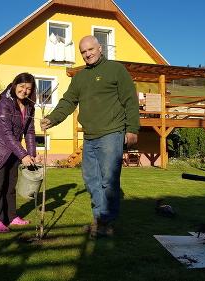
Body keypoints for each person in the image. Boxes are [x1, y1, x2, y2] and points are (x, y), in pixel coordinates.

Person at [40, 35, 140, 238]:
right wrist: (52, 119)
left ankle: (108, 222)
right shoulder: (79, 78)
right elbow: (68, 102)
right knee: (90, 179)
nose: (87, 54)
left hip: (112, 133)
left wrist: (132, 129)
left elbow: (130, 99)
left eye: (90, 50)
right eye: (83, 52)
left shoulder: (116, 70)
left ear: (99, 47)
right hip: (90, 136)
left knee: (109, 180)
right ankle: (98, 220)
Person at [0, 72, 37, 233]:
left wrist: (31, 153)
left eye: (28, 88)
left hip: (13, 151)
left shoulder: (29, 106)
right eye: (21, 86)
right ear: (15, 86)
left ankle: (11, 217)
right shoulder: (3, 104)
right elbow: (6, 133)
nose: (24, 91)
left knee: (10, 186)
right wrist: (23, 155)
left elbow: (29, 131)